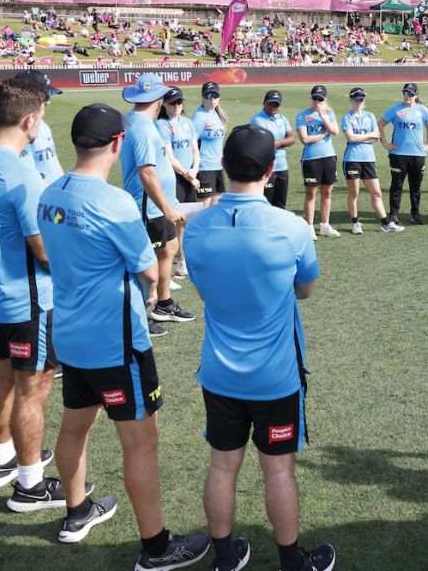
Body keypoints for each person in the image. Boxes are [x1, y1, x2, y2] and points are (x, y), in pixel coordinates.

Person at [38, 103, 212, 566]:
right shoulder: (113, 201)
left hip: (71, 335)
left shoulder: (49, 192)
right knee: (140, 442)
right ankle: (156, 548)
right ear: (118, 142)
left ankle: (77, 511)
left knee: (75, 425)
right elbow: (146, 268)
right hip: (116, 342)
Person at [184, 125, 336, 571]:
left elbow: (203, 287)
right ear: (271, 170)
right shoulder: (290, 227)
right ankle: (292, 562)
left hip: (219, 373)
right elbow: (305, 289)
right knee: (278, 471)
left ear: (225, 166)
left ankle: (226, 557)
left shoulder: (196, 229)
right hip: (275, 378)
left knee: (222, 466)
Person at [0, 79, 57, 499]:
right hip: (27, 299)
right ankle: (30, 484)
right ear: (29, 120)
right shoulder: (22, 174)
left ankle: (0, 458)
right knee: (33, 389)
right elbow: (43, 251)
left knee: (4, 375)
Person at [121, 73, 194, 335]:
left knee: (170, 247)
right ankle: (137, 314)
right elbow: (146, 173)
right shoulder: (141, 127)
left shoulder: (139, 121)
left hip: (157, 203)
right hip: (148, 206)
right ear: (160, 99)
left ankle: (163, 304)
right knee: (146, 261)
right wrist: (166, 206)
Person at [342, 87, 404, 234]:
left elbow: (376, 137)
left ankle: (385, 223)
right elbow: (350, 138)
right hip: (352, 159)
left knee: (376, 193)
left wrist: (363, 136)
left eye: (361, 99)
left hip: (368, 159)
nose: (359, 101)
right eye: (356, 99)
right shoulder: (347, 117)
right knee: (354, 193)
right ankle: (355, 223)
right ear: (351, 100)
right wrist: (368, 135)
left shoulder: (369, 116)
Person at [157, 87, 198, 281]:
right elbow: (170, 158)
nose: (177, 106)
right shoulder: (162, 125)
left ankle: (183, 262)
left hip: (191, 177)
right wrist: (189, 175)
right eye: (173, 102)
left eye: (179, 102)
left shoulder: (188, 122)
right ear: (164, 104)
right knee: (172, 224)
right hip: (175, 179)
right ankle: (167, 269)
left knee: (187, 222)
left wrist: (195, 170)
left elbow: (195, 151)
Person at [379, 83, 428, 225]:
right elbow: (379, 125)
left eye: (410, 94)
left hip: (418, 155)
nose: (407, 96)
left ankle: (415, 214)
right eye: (405, 93)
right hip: (398, 155)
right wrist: (386, 144)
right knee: (396, 185)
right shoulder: (395, 109)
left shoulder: (422, 110)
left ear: (416, 95)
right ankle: (394, 215)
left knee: (415, 187)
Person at [296, 85, 342, 238]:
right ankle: (309, 227)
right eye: (315, 98)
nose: (317, 101)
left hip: (328, 157)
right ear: (311, 98)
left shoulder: (329, 113)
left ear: (324, 99)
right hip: (311, 159)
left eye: (320, 99)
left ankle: (324, 225)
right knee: (311, 193)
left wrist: (323, 117)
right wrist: (323, 134)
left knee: (327, 193)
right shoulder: (302, 116)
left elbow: (335, 131)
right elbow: (305, 139)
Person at [15, 70, 65, 183]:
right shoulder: (17, 131)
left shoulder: (43, 125)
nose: (48, 102)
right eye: (44, 95)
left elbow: (53, 161)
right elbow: (27, 177)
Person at [250, 90, 295, 210]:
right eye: (271, 103)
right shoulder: (258, 120)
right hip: (267, 168)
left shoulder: (282, 118)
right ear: (264, 103)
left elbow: (292, 139)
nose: (273, 107)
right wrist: (281, 142)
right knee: (266, 204)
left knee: (281, 204)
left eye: (276, 104)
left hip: (282, 167)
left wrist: (278, 142)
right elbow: (264, 143)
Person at [192, 81, 228, 206]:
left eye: (215, 95)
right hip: (204, 169)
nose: (211, 98)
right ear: (202, 97)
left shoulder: (217, 114)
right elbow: (191, 143)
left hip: (218, 167)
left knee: (215, 210)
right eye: (208, 95)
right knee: (202, 211)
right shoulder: (199, 117)